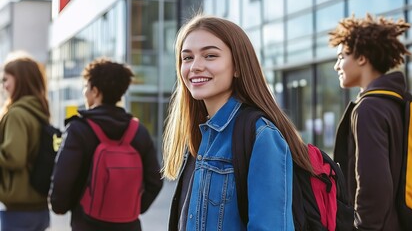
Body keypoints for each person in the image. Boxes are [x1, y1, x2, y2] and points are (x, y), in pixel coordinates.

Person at [163, 14, 314, 230]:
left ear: (237, 66)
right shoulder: (200, 136)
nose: (195, 66)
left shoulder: (261, 135)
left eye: (210, 55)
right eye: (187, 58)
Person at [49, 58, 163, 231]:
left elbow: (64, 177)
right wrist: (133, 208)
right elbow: (155, 180)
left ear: (95, 91)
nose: (85, 92)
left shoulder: (79, 129)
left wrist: (59, 206)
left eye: (86, 87)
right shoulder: (138, 130)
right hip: (129, 225)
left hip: (87, 222)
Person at [329, 14, 411, 230]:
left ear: (362, 58)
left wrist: (363, 227)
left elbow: (374, 184)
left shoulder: (368, 109)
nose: (337, 66)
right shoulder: (397, 104)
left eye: (341, 57)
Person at [0, 52, 51, 230]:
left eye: (6, 80)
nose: (4, 86)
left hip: (18, 210)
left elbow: (14, 158)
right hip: (40, 209)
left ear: (20, 80)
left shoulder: (16, 114)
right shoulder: (40, 111)